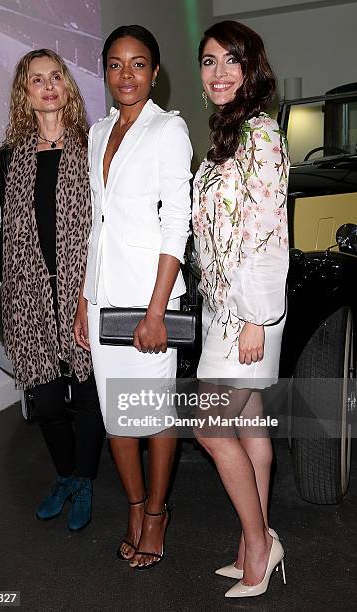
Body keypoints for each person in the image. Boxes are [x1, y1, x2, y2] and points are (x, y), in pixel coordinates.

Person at [74, 25, 192, 569]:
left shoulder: (168, 129)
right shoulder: (97, 132)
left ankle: (159, 512)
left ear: (155, 71)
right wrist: (83, 298)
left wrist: (156, 310)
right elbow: (96, 224)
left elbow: (176, 226)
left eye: (138, 63)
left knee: (156, 415)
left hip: (150, 298)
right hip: (103, 295)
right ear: (104, 71)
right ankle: (136, 505)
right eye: (116, 64)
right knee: (115, 415)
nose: (127, 74)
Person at [192, 21, 289, 598]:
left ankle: (259, 544)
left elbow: (267, 229)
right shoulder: (227, 136)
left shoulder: (261, 135)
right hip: (223, 311)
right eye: (209, 62)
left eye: (232, 60)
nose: (220, 72)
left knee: (209, 428)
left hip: (247, 313)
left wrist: (254, 315)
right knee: (249, 425)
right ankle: (255, 537)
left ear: (252, 68)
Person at [0, 49, 104, 532]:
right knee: (48, 398)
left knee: (86, 395)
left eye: (56, 76)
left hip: (83, 288)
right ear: (25, 92)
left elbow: (102, 225)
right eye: (36, 79)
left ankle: (84, 480)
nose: (48, 85)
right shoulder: (7, 159)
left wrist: (88, 291)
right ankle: (63, 476)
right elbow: (10, 228)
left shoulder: (93, 146)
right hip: (30, 294)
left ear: (67, 85)